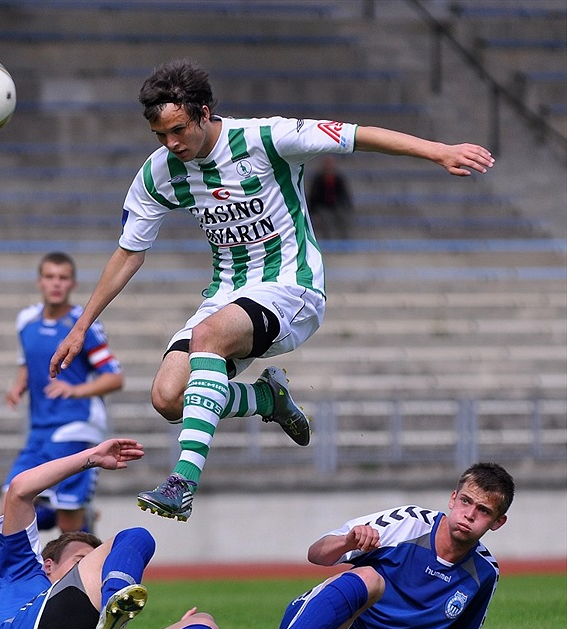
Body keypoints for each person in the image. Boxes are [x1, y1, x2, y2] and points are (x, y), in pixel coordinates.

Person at [49, 59, 495, 523]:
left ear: (204, 112)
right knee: (168, 398)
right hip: (227, 294)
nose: (172, 143)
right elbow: (128, 253)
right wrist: (82, 326)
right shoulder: (159, 173)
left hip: (292, 286)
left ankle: (182, 480)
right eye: (161, 135)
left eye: (179, 129)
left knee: (208, 338)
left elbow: (357, 135)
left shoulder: (267, 137)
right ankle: (268, 399)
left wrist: (440, 151)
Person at [190, 462, 516, 629]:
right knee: (371, 577)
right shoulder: (408, 523)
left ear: (498, 522)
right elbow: (316, 554)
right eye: (466, 502)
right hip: (329, 627)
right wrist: (347, 543)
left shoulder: (484, 573)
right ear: (453, 498)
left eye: (483, 511)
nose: (469, 515)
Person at [0, 437, 220, 629]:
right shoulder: (22, 568)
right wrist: (92, 457)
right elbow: (19, 489)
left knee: (203, 624)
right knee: (137, 537)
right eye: (79, 562)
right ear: (48, 565)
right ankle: (113, 598)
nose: (89, 572)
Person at [2, 251, 124, 533]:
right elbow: (27, 361)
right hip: (39, 430)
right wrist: (19, 385)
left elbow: (115, 378)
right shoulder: (26, 321)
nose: (56, 283)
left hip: (76, 427)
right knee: (10, 505)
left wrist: (75, 390)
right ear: (39, 282)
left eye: (63, 278)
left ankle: (79, 529)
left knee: (68, 529)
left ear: (73, 284)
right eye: (50, 277)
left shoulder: (83, 325)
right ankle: (84, 519)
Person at [307, 155, 353, 239]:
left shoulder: (338, 179)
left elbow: (344, 195)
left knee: (343, 217)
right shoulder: (318, 179)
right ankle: (328, 240)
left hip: (335, 206)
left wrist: (346, 206)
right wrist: (312, 210)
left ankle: (344, 241)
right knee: (325, 219)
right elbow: (313, 196)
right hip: (322, 206)